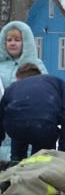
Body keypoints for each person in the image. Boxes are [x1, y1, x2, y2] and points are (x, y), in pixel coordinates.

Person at [0, 63, 65, 161]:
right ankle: (40, 165)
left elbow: (1, 115)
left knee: (18, 124)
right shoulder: (58, 83)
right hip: (44, 124)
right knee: (41, 163)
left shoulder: (13, 87)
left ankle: (16, 163)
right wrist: (62, 152)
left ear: (18, 78)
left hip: (15, 126)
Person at [0, 21, 48, 161]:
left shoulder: (37, 66)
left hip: (26, 131)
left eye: (17, 39)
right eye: (9, 40)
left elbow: (44, 93)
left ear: (26, 42)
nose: (12, 43)